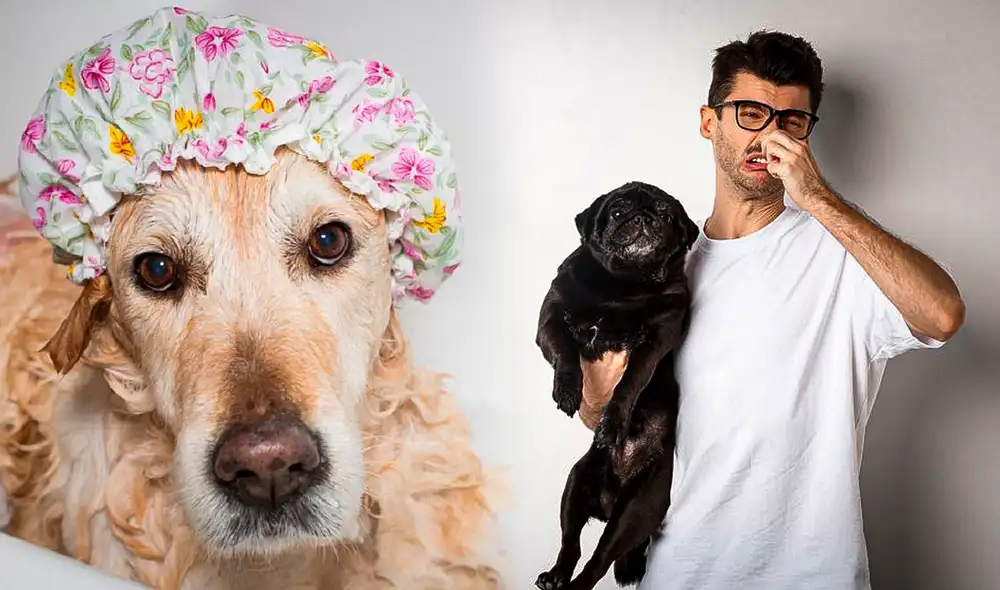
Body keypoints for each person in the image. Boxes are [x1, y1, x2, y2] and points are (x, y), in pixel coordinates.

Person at [576, 30, 966, 590]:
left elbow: (943, 315)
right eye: (751, 114)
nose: (770, 136)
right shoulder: (664, 269)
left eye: (791, 121)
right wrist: (595, 397)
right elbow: (610, 420)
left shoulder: (841, 253)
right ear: (709, 122)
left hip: (813, 576)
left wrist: (820, 199)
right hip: (678, 573)